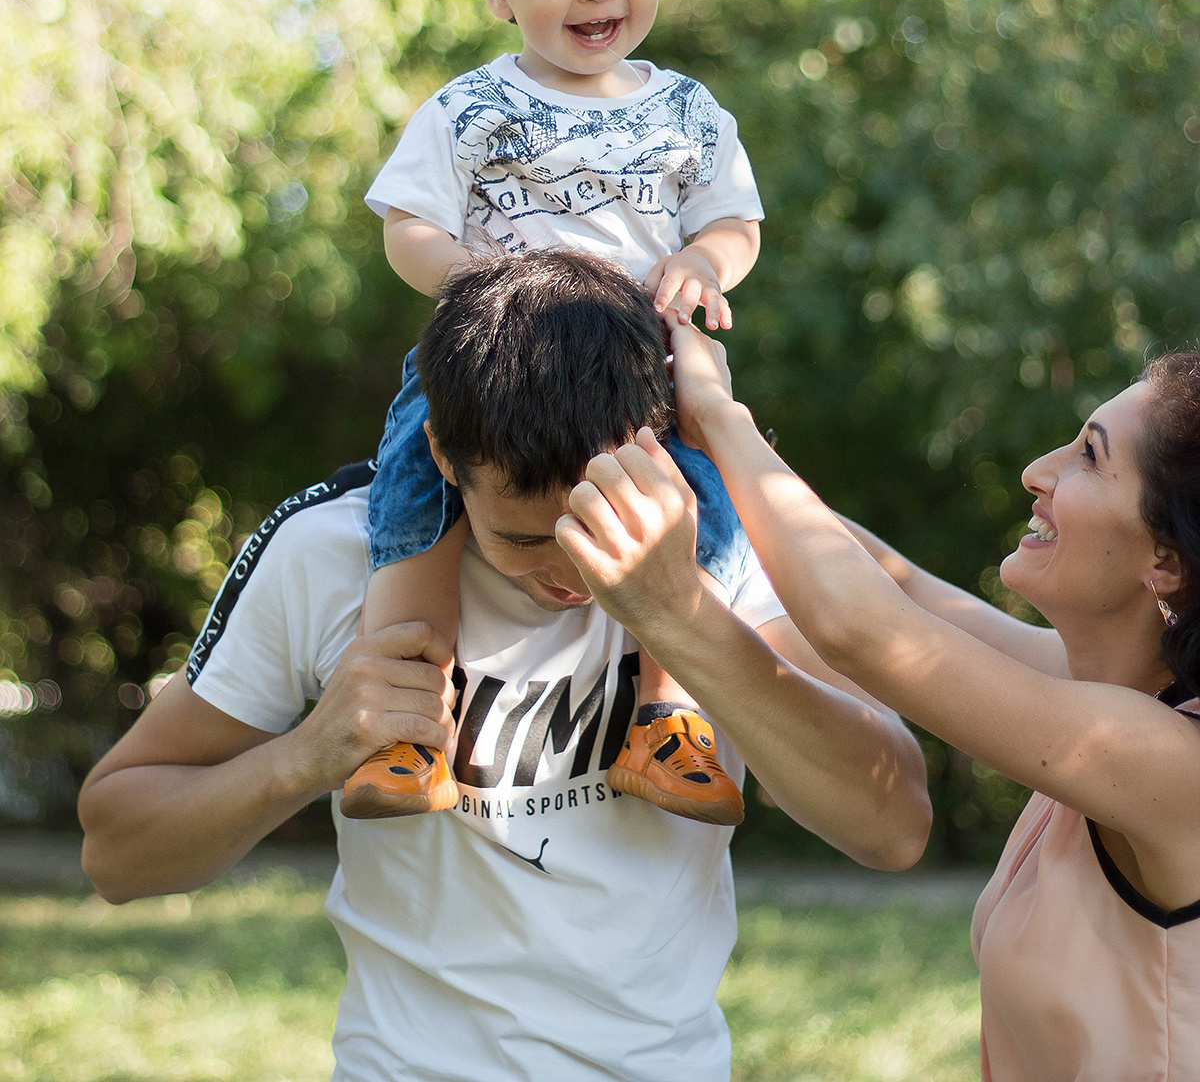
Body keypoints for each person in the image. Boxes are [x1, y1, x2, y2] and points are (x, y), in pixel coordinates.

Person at [78, 251, 931, 1082]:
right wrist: (304, 757)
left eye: (595, 523)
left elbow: (893, 826)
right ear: (443, 455)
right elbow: (115, 851)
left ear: (663, 443)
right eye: (523, 540)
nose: (572, 576)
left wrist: (681, 618)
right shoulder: (327, 551)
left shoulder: (730, 546)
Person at [635, 320, 1200, 1082]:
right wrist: (703, 461)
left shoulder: (1167, 764)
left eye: (1089, 457)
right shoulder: (1099, 691)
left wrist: (717, 415)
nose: (1037, 472)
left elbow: (865, 630)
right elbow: (896, 586)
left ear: (1166, 560)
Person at [346, 0, 765, 822]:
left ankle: (668, 720)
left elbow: (736, 223)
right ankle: (406, 730)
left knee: (705, 507)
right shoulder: (469, 109)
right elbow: (406, 225)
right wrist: (464, 273)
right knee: (413, 492)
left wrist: (702, 262)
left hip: (636, 369)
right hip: (495, 358)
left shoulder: (687, 112)